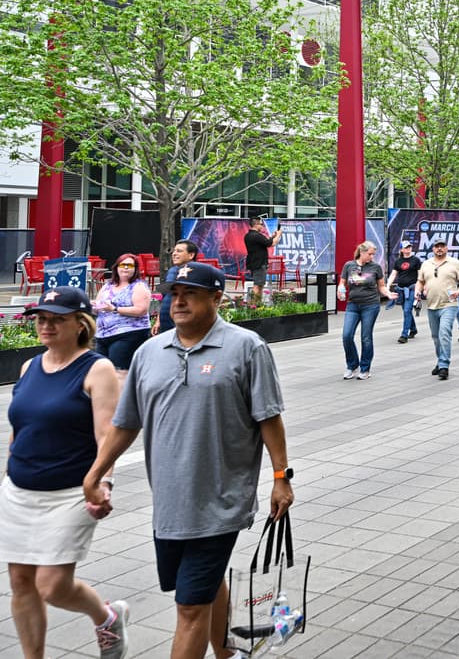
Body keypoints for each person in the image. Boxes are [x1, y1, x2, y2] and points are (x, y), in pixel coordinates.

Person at [83, 262, 294, 658]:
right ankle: (227, 652)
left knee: (190, 606)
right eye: (173, 293)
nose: (178, 301)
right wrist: (96, 472)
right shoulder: (150, 351)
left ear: (217, 297)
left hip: (221, 498)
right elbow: (127, 423)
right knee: (204, 584)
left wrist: (281, 477)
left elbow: (268, 415)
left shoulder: (247, 347)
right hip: (170, 501)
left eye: (190, 293)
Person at [2, 287, 129, 659]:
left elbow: (107, 435)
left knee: (52, 585)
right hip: (19, 491)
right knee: (20, 582)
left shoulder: (97, 368)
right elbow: (21, 426)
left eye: (57, 319)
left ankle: (106, 617)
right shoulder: (30, 366)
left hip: (71, 492)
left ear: (80, 324)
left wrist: (103, 483)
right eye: (42, 318)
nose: (46, 325)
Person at [337, 241, 394, 380]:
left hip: (370, 305)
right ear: (361, 252)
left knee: (366, 337)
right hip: (353, 305)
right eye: (370, 254)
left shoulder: (375, 267)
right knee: (346, 335)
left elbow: (381, 286)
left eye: (373, 254)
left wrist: (387, 293)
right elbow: (342, 283)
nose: (372, 257)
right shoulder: (349, 265)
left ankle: (365, 368)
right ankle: (352, 365)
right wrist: (340, 291)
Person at [92, 252, 153, 380]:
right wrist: (94, 306)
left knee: (118, 373)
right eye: (123, 265)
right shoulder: (107, 286)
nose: (126, 268)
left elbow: (141, 310)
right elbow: (98, 305)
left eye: (130, 266)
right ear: (116, 267)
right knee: (101, 372)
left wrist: (114, 309)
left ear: (135, 269)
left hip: (128, 334)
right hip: (103, 335)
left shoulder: (138, 286)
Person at [416, 239, 459, 380]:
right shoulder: (426, 264)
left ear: (446, 248)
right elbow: (420, 281)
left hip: (449, 304)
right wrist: (417, 291)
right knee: (436, 337)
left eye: (442, 246)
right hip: (432, 305)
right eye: (437, 246)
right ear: (433, 249)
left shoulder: (454, 263)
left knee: (444, 333)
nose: (439, 249)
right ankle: (440, 361)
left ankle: (444, 365)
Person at [157, 239, 199, 333]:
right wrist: (158, 320)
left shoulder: (198, 273)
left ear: (191, 255)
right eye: (174, 251)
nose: (174, 254)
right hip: (166, 325)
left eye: (179, 251)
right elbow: (166, 298)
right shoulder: (172, 271)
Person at [387, 240, 422, 344]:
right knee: (406, 311)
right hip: (401, 290)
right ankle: (414, 329)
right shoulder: (398, 261)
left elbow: (420, 275)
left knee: (407, 310)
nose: (408, 249)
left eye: (409, 247)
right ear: (401, 249)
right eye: (406, 247)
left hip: (412, 289)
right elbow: (393, 274)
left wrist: (420, 288)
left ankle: (404, 335)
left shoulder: (416, 260)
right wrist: (388, 286)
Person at [242, 217, 281, 294]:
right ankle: (254, 304)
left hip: (255, 262)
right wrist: (278, 235)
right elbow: (272, 244)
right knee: (257, 285)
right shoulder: (256, 236)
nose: (262, 226)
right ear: (256, 224)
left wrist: (272, 237)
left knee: (260, 285)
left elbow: (265, 242)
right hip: (259, 264)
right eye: (261, 224)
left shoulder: (248, 235)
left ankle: (257, 303)